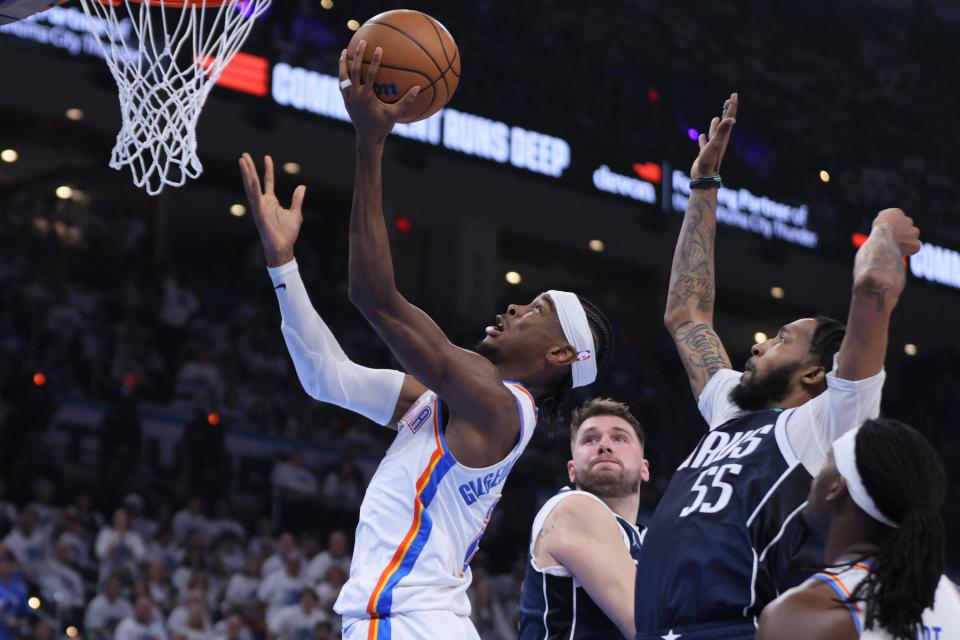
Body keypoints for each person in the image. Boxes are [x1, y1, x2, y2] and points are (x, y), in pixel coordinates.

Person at [236, 39, 614, 640]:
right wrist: (283, 265)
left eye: (536, 309)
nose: (514, 305)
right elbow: (324, 377)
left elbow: (375, 298)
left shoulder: (495, 404)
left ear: (559, 355)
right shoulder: (448, 405)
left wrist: (370, 141)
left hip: (408, 626)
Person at [633, 93, 922, 639]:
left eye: (782, 340)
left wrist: (884, 227)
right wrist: (703, 186)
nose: (759, 345)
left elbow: (872, 288)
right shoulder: (729, 408)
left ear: (815, 374)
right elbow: (686, 314)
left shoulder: (827, 426)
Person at [758, 418, 960, 640]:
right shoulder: (953, 599)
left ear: (836, 488)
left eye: (826, 462)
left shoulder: (802, 615)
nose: (816, 474)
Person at [519, 398, 648, 639]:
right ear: (571, 469)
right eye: (591, 439)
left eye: (619, 438)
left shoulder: (648, 541)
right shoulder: (573, 508)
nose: (604, 446)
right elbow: (650, 627)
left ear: (644, 468)